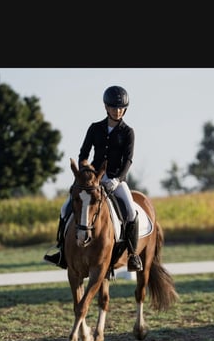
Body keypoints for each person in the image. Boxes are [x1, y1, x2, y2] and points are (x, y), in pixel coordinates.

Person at [43, 85, 143, 272]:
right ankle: (61, 251)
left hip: (116, 181)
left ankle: (133, 255)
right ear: (106, 107)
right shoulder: (95, 128)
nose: (118, 111)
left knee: (131, 212)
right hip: (92, 181)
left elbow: (128, 160)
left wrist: (117, 180)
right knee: (65, 209)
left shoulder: (128, 132)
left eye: (121, 108)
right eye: (114, 107)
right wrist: (86, 172)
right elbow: (83, 154)